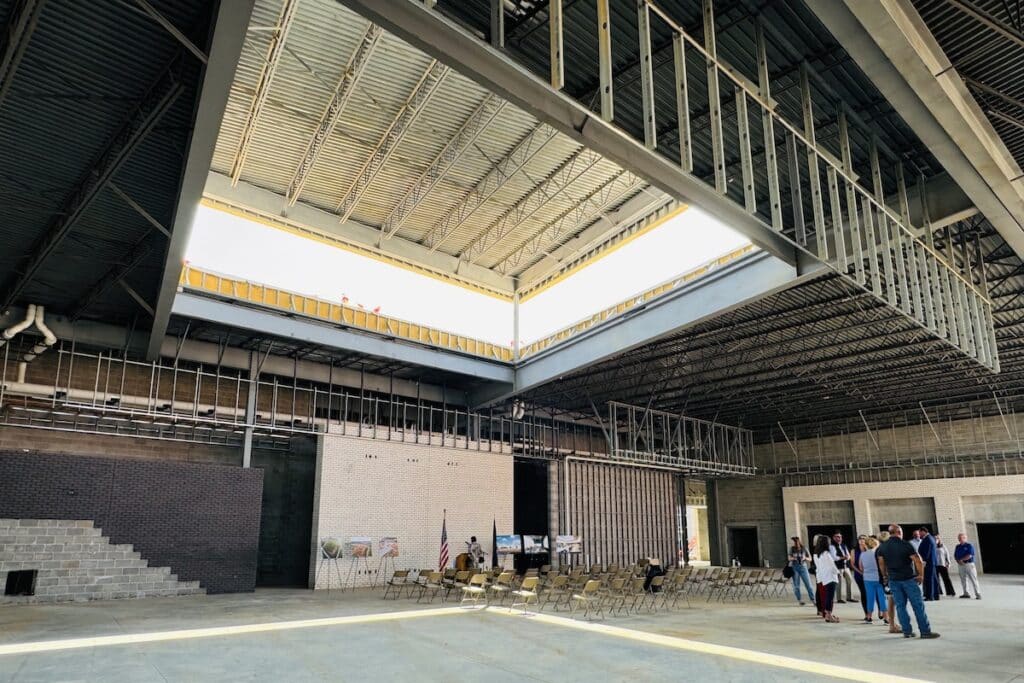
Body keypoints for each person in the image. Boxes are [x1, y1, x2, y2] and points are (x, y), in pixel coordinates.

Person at [876, 524, 940, 639]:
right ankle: (925, 632)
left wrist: (885, 576)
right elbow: (918, 560)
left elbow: (881, 563)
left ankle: (907, 631)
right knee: (918, 606)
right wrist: (921, 575)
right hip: (908, 579)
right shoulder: (906, 545)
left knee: (900, 606)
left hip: (893, 581)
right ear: (899, 532)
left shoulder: (882, 547)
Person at [858, 536, 887, 625]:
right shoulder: (878, 554)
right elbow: (882, 565)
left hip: (867, 578)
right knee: (882, 597)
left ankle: (869, 617)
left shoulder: (862, 554)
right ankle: (886, 618)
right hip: (878, 578)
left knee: (870, 598)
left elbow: (861, 567)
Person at [813, 534, 840, 623]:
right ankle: (828, 615)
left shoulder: (817, 554)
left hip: (824, 577)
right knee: (830, 597)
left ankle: (828, 614)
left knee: (828, 596)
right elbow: (832, 567)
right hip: (831, 577)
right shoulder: (826, 554)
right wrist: (838, 572)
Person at [877, 531, 899, 633]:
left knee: (891, 601)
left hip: (885, 577)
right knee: (891, 601)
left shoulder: (879, 549)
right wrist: (885, 576)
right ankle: (892, 625)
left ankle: (892, 623)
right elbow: (882, 565)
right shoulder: (884, 549)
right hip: (889, 577)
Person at [954, 532, 982, 599]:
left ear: (965, 538)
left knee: (973, 579)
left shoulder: (969, 546)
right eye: (959, 538)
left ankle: (978, 594)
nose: (960, 539)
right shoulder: (957, 546)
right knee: (963, 579)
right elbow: (955, 555)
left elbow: (970, 555)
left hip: (969, 564)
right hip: (960, 565)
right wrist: (958, 561)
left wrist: (962, 560)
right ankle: (966, 593)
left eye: (961, 538)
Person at [788, 536, 814, 606]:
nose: (796, 544)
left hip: (803, 567)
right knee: (796, 585)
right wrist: (794, 558)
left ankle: (813, 599)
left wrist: (805, 558)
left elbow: (810, 558)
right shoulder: (792, 549)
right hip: (795, 567)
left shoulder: (804, 548)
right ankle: (799, 600)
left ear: (799, 542)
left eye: (797, 542)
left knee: (808, 584)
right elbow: (789, 558)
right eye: (794, 542)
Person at [830, 532, 855, 603]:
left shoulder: (844, 545)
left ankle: (850, 597)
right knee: (839, 582)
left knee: (849, 580)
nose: (839, 538)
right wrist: (842, 557)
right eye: (837, 537)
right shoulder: (832, 546)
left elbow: (848, 555)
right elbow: (833, 557)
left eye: (840, 537)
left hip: (845, 566)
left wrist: (847, 557)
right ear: (834, 538)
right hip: (838, 567)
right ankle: (839, 598)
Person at [917, 527, 940, 601]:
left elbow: (927, 551)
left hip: (928, 562)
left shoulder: (928, 539)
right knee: (934, 579)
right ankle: (935, 595)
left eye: (920, 533)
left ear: (923, 532)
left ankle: (930, 596)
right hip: (931, 562)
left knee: (929, 579)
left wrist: (924, 561)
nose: (919, 534)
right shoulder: (931, 538)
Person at [852, 535, 869, 619]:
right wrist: (860, 572)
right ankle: (866, 613)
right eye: (860, 539)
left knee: (871, 593)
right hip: (859, 575)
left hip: (870, 574)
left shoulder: (869, 550)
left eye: (864, 539)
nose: (862, 540)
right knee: (864, 593)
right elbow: (852, 563)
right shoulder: (854, 550)